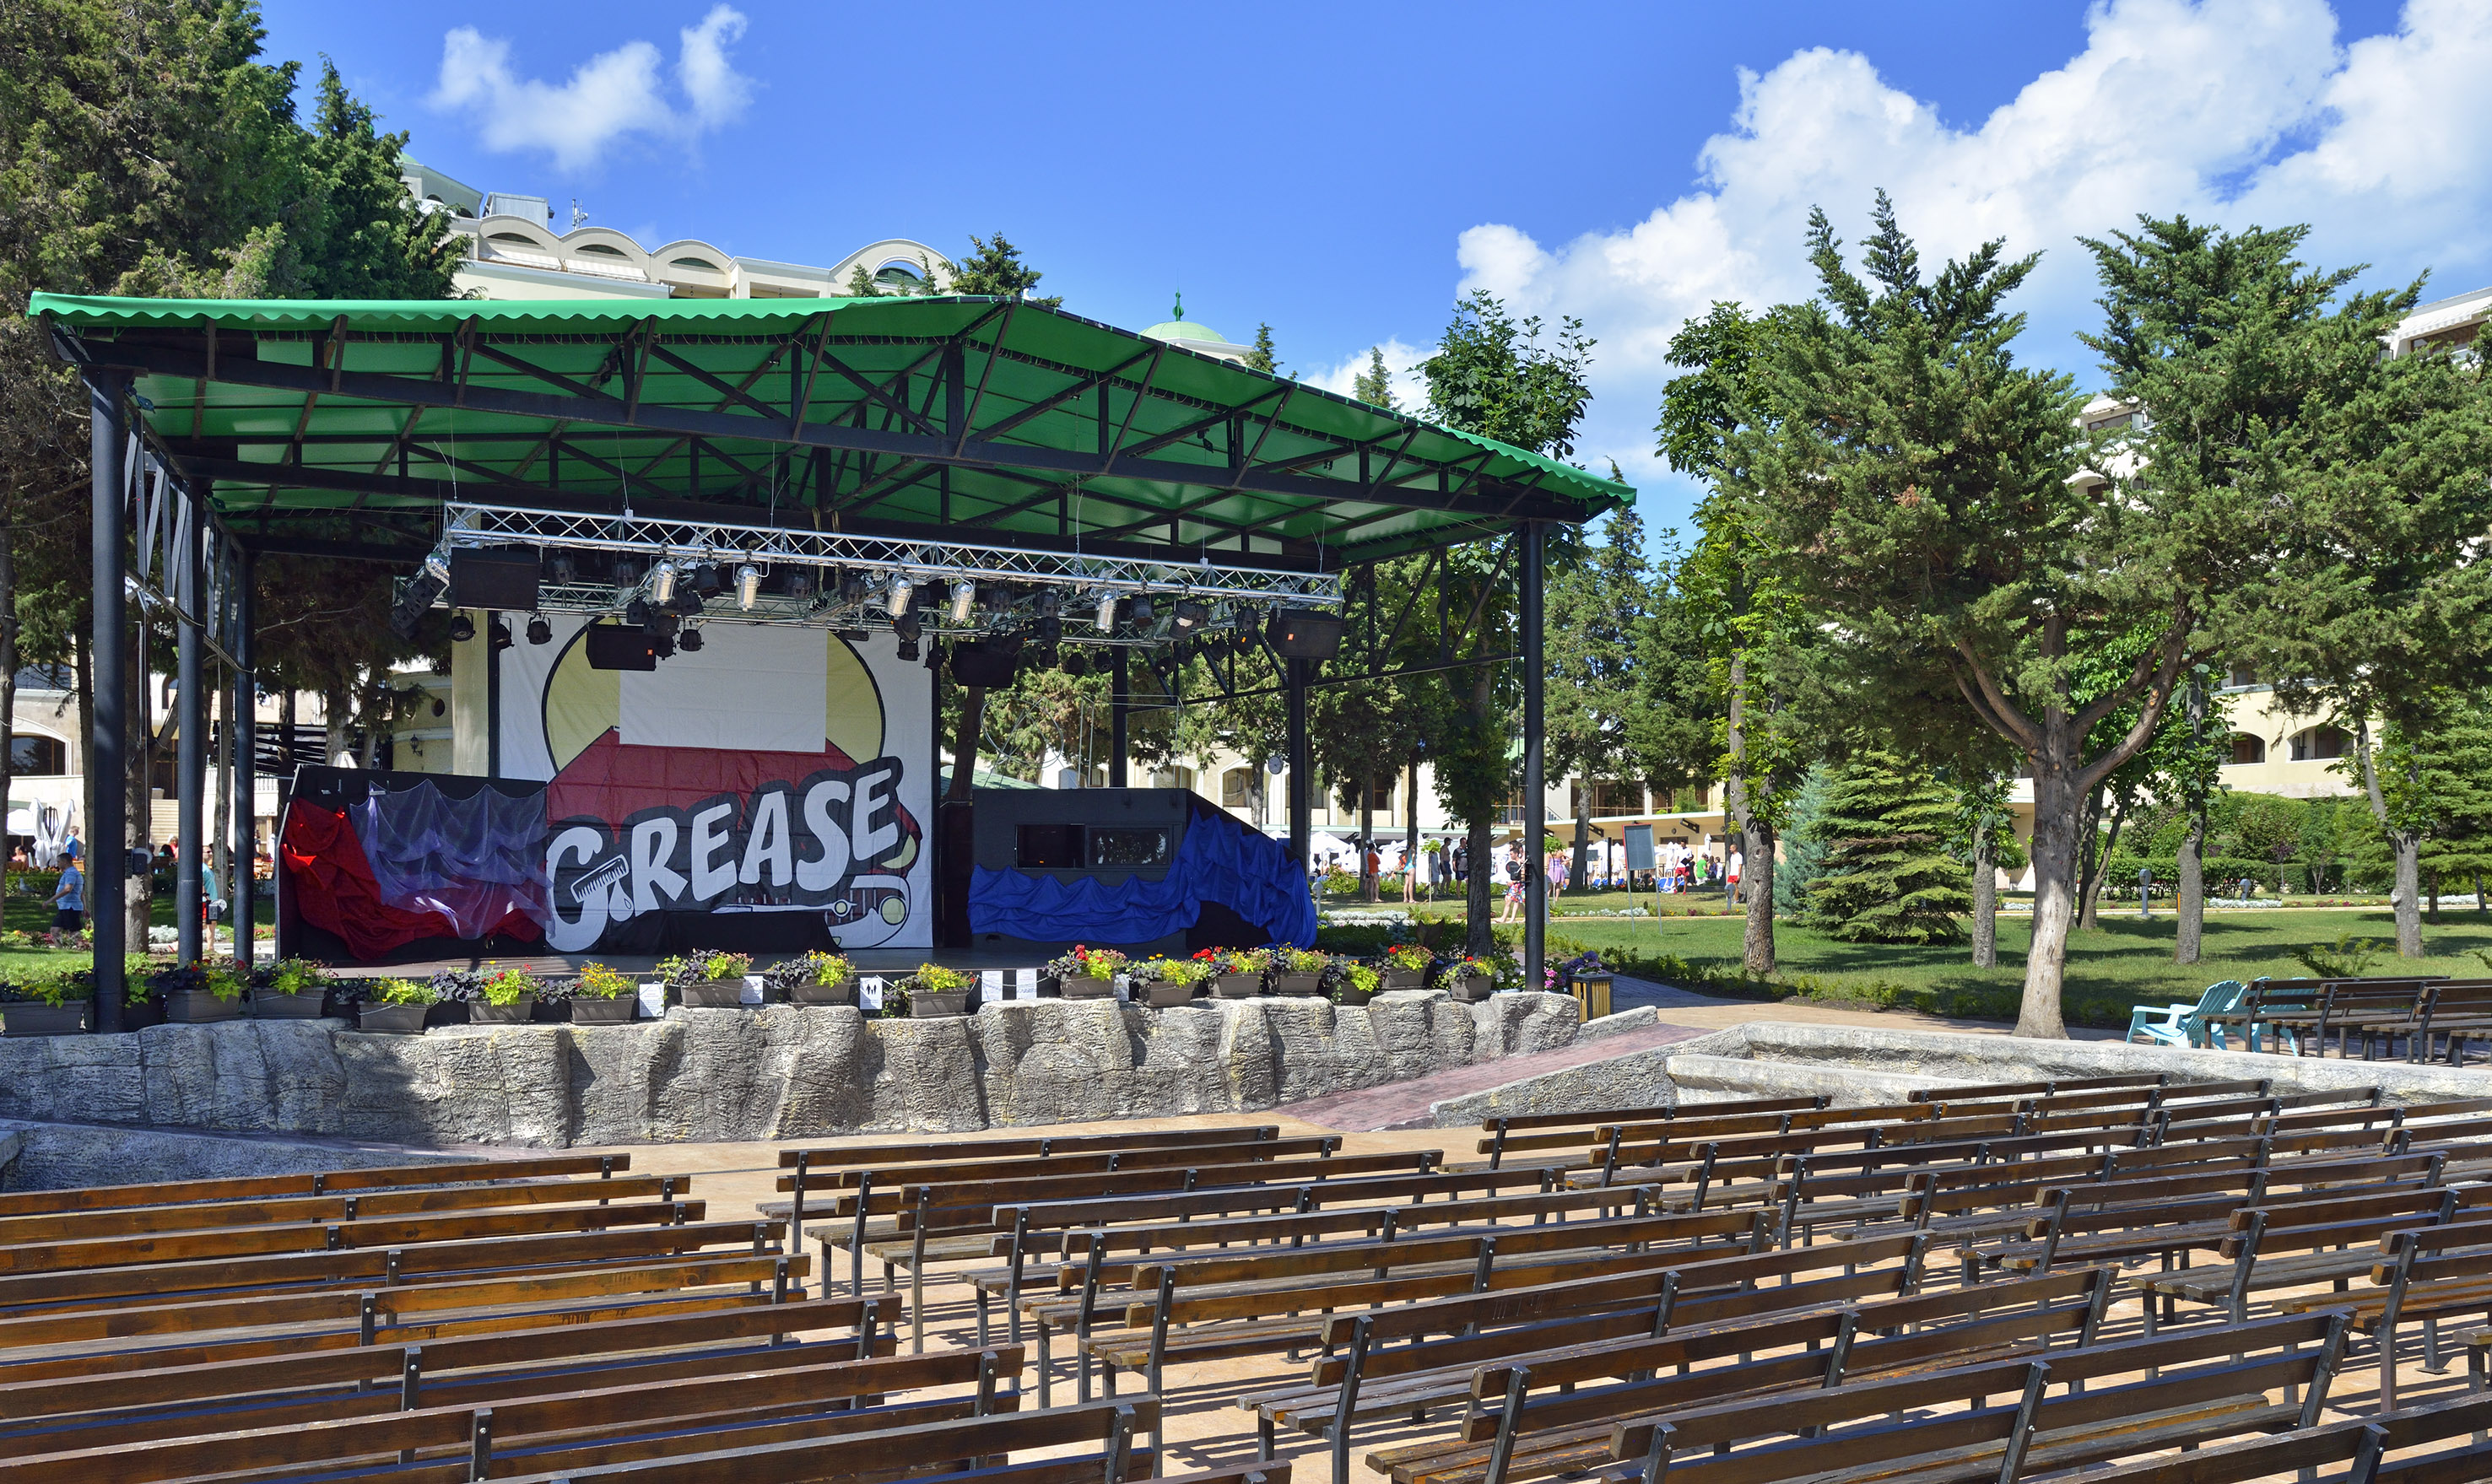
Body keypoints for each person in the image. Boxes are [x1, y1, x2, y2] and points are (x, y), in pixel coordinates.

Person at [49, 857, 84, 933]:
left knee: (74, 932)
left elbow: (68, 889)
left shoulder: (71, 874)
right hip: (65, 907)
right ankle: (64, 945)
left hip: (70, 907)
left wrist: (50, 900)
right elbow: (81, 892)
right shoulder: (71, 873)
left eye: (59, 862)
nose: (57, 864)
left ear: (65, 861)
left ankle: (79, 945)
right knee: (55, 930)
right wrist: (85, 907)